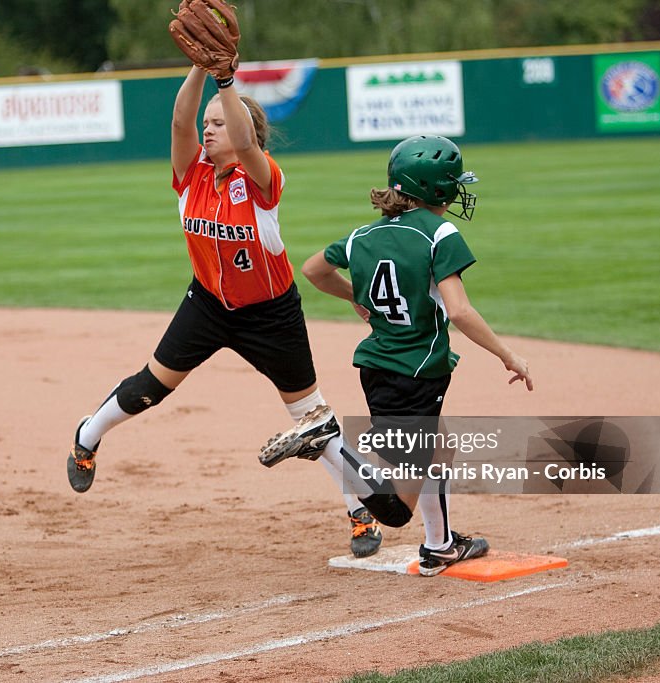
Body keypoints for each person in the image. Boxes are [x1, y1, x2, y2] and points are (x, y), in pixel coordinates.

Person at [66, 65, 383, 558]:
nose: (208, 130)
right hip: (208, 304)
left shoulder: (262, 180)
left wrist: (227, 84)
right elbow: (179, 123)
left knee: (311, 418)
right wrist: (200, 68)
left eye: (218, 124)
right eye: (207, 124)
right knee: (151, 387)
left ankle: (360, 513)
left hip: (271, 314)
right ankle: (88, 435)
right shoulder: (190, 174)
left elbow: (247, 143)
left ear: (244, 135)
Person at [272, 134, 533, 576]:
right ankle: (328, 442)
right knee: (394, 508)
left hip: (379, 365)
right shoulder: (440, 232)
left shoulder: (365, 234)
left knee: (441, 446)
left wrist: (358, 297)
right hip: (414, 375)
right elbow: (461, 311)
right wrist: (508, 355)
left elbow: (314, 269)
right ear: (436, 190)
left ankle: (440, 546)